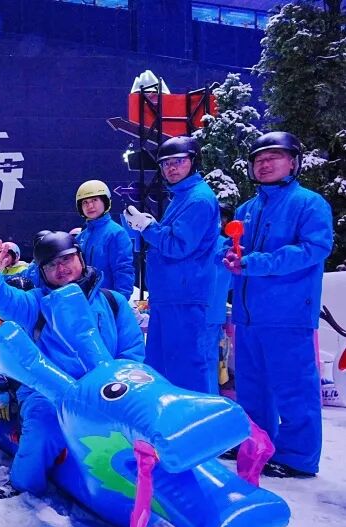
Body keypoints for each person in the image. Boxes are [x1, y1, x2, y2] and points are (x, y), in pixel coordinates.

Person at [0, 235, 144, 496]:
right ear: (42, 272)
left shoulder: (112, 302)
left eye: (66, 259)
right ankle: (23, 483)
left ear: (80, 258)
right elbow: (4, 299)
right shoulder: (35, 304)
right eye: (52, 264)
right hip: (48, 394)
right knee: (45, 427)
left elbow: (132, 351)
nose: (61, 268)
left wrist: (124, 388)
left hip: (107, 392)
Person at [221, 132, 333, 479]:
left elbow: (314, 249)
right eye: (259, 159)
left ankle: (298, 457)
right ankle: (255, 444)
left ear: (293, 162)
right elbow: (236, 251)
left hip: (288, 314)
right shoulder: (247, 209)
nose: (265, 164)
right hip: (248, 315)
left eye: (274, 157)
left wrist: (255, 262)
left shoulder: (309, 203)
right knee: (251, 389)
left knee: (294, 388)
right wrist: (230, 255)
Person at [125, 136, 221, 394]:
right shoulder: (182, 196)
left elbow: (178, 245)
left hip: (184, 296)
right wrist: (149, 226)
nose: (171, 168)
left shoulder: (198, 199)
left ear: (194, 161)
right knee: (161, 367)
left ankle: (195, 417)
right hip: (170, 295)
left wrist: (148, 227)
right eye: (166, 163)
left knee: (185, 367)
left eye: (178, 161)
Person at [74, 179, 135, 299]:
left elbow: (123, 269)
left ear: (105, 202)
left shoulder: (116, 233)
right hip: (85, 301)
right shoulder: (82, 236)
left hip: (107, 301)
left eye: (94, 200)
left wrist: (119, 301)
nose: (90, 206)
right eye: (85, 202)